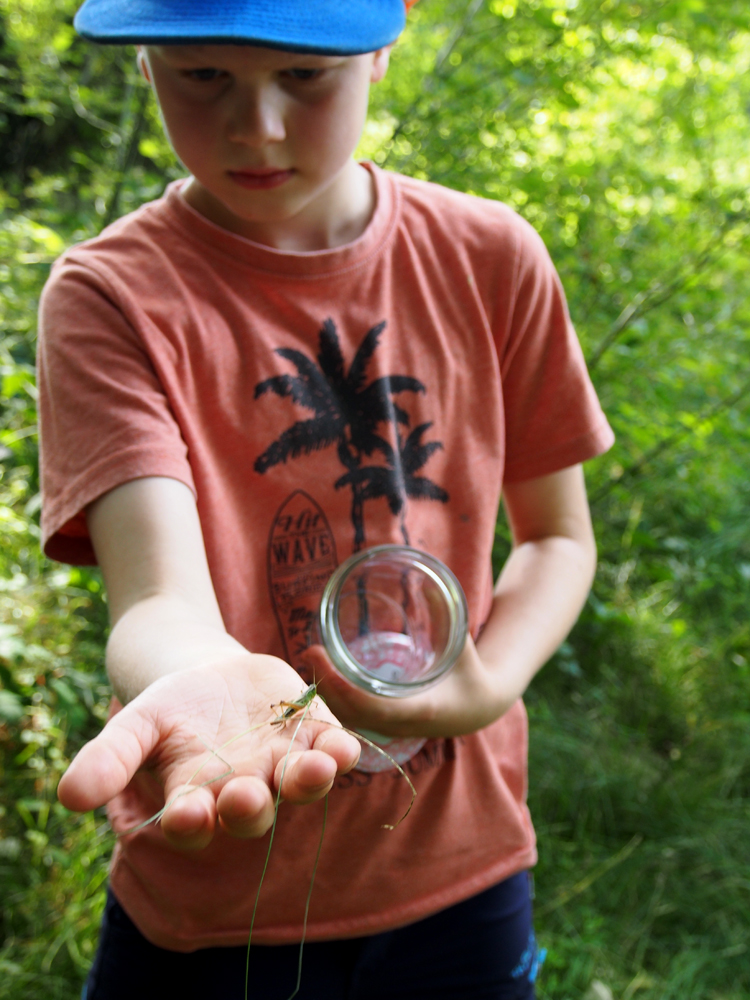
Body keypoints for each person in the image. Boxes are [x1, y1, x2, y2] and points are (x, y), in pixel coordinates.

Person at [38, 1, 614, 997]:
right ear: (144, 61)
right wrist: (204, 674)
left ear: (382, 52)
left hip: (458, 873)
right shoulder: (110, 296)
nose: (254, 125)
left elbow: (558, 538)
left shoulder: (490, 257)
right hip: (213, 883)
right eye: (203, 75)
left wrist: (488, 685)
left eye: (305, 77)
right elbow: (156, 596)